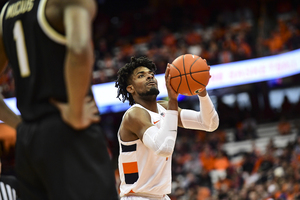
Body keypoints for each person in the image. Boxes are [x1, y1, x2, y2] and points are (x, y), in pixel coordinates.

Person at [0, 0, 118, 199]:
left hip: (29, 144)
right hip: (69, 131)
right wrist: (75, 112)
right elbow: (79, 49)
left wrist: (20, 126)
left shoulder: (6, 12)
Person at [115, 56, 219, 199]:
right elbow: (163, 148)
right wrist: (173, 100)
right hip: (137, 196)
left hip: (160, 196)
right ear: (130, 88)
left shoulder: (163, 107)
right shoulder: (134, 114)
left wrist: (201, 91)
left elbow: (209, 124)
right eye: (141, 76)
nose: (149, 77)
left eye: (151, 74)